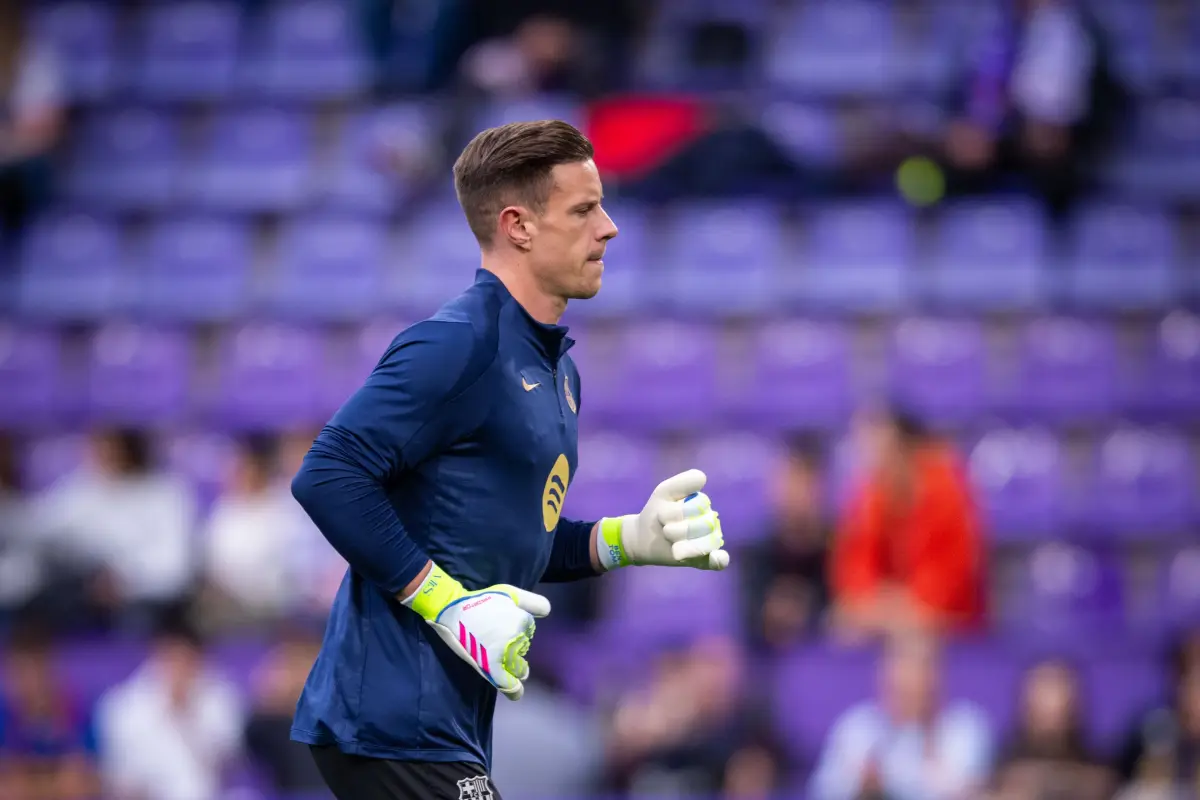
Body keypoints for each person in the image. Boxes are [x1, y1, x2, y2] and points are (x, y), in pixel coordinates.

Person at [289, 119, 730, 800]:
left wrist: (626, 540)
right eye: (584, 210)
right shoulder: (457, 344)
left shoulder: (557, 372)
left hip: (443, 727)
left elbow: (503, 535)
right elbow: (327, 474)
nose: (608, 227)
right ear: (519, 225)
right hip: (386, 720)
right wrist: (446, 604)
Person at [831, 406, 986, 639]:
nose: (868, 455)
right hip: (889, 613)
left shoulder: (947, 491)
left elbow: (952, 580)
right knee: (840, 628)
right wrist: (879, 603)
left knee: (914, 638)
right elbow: (852, 569)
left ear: (906, 446)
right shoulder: (869, 493)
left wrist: (906, 605)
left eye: (877, 443)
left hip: (949, 623)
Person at [808, 634, 994, 800]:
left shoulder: (965, 725)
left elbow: (963, 790)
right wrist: (860, 785)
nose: (906, 682)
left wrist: (892, 780)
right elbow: (825, 789)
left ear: (936, 678)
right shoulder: (858, 725)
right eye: (898, 671)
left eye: (919, 670)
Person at [94, 612, 244, 800]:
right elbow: (120, 774)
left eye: (186, 658)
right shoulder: (122, 705)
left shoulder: (221, 695)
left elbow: (226, 763)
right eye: (171, 657)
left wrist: (186, 714)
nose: (178, 668)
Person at [993, 658, 1113, 800]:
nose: (1052, 704)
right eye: (1043, 689)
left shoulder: (1098, 764)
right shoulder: (1001, 761)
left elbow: (1102, 783)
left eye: (1059, 689)